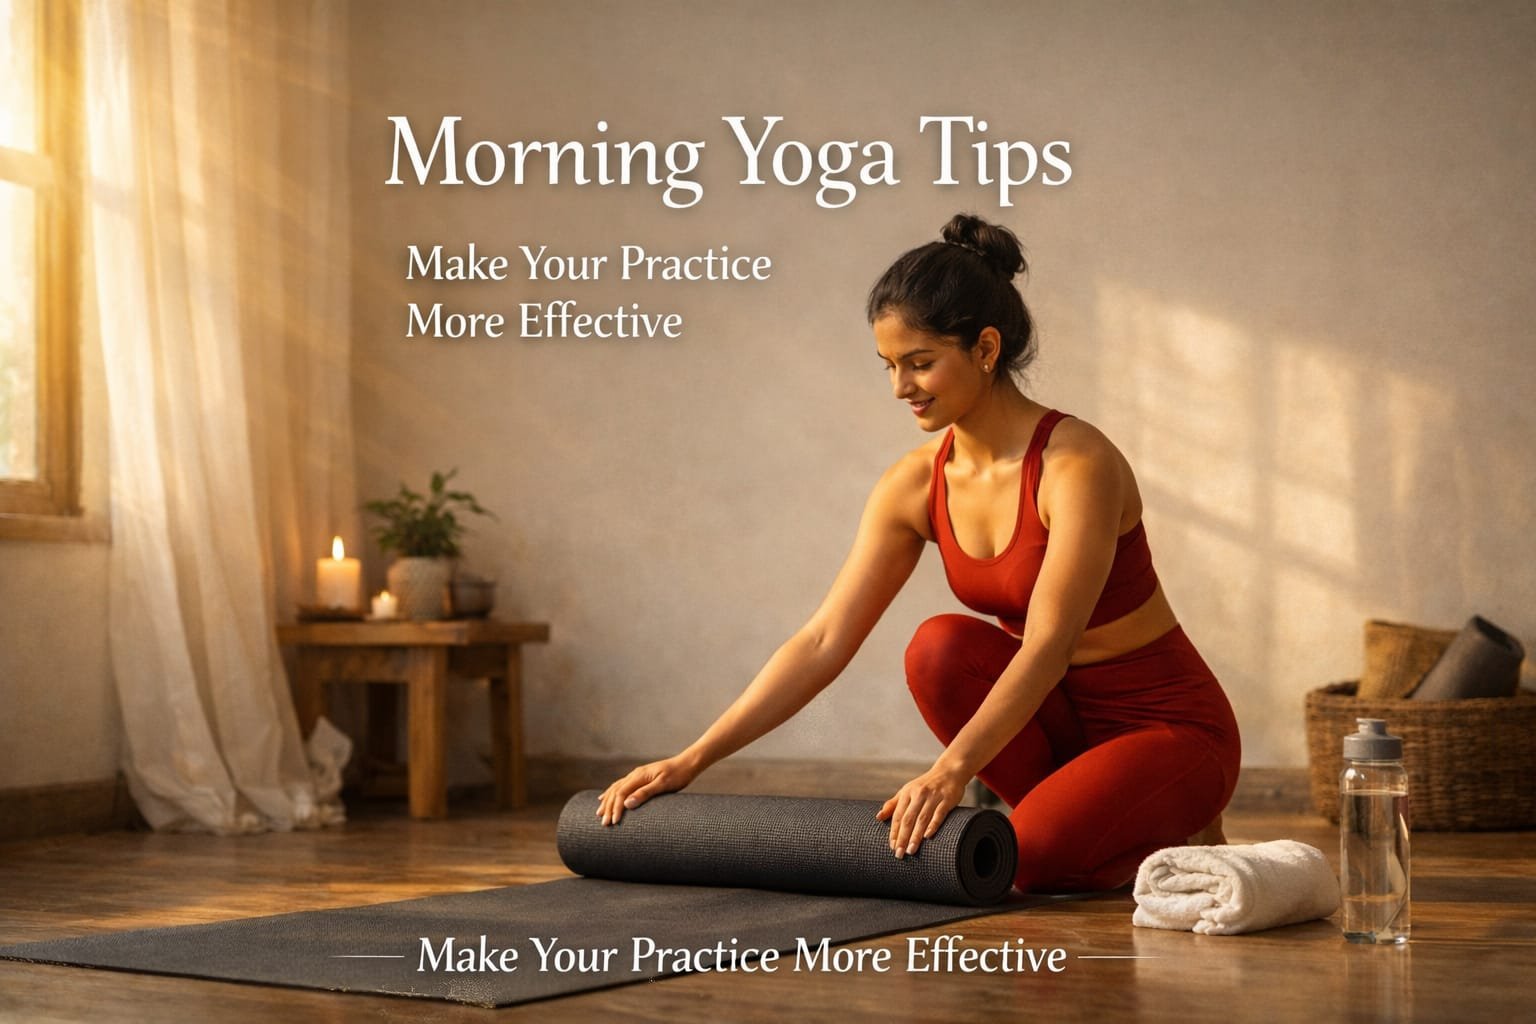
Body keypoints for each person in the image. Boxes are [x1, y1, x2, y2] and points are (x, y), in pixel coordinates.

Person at [598, 213, 1241, 893]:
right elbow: (822, 640)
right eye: (890, 366)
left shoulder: (1077, 465)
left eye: (920, 362)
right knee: (938, 649)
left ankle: (1164, 817)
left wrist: (949, 771)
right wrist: (694, 759)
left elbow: (1048, 646)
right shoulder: (915, 483)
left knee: (1027, 862)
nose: (900, 388)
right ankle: (1106, 816)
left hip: (1166, 728)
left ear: (985, 348)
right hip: (1058, 725)